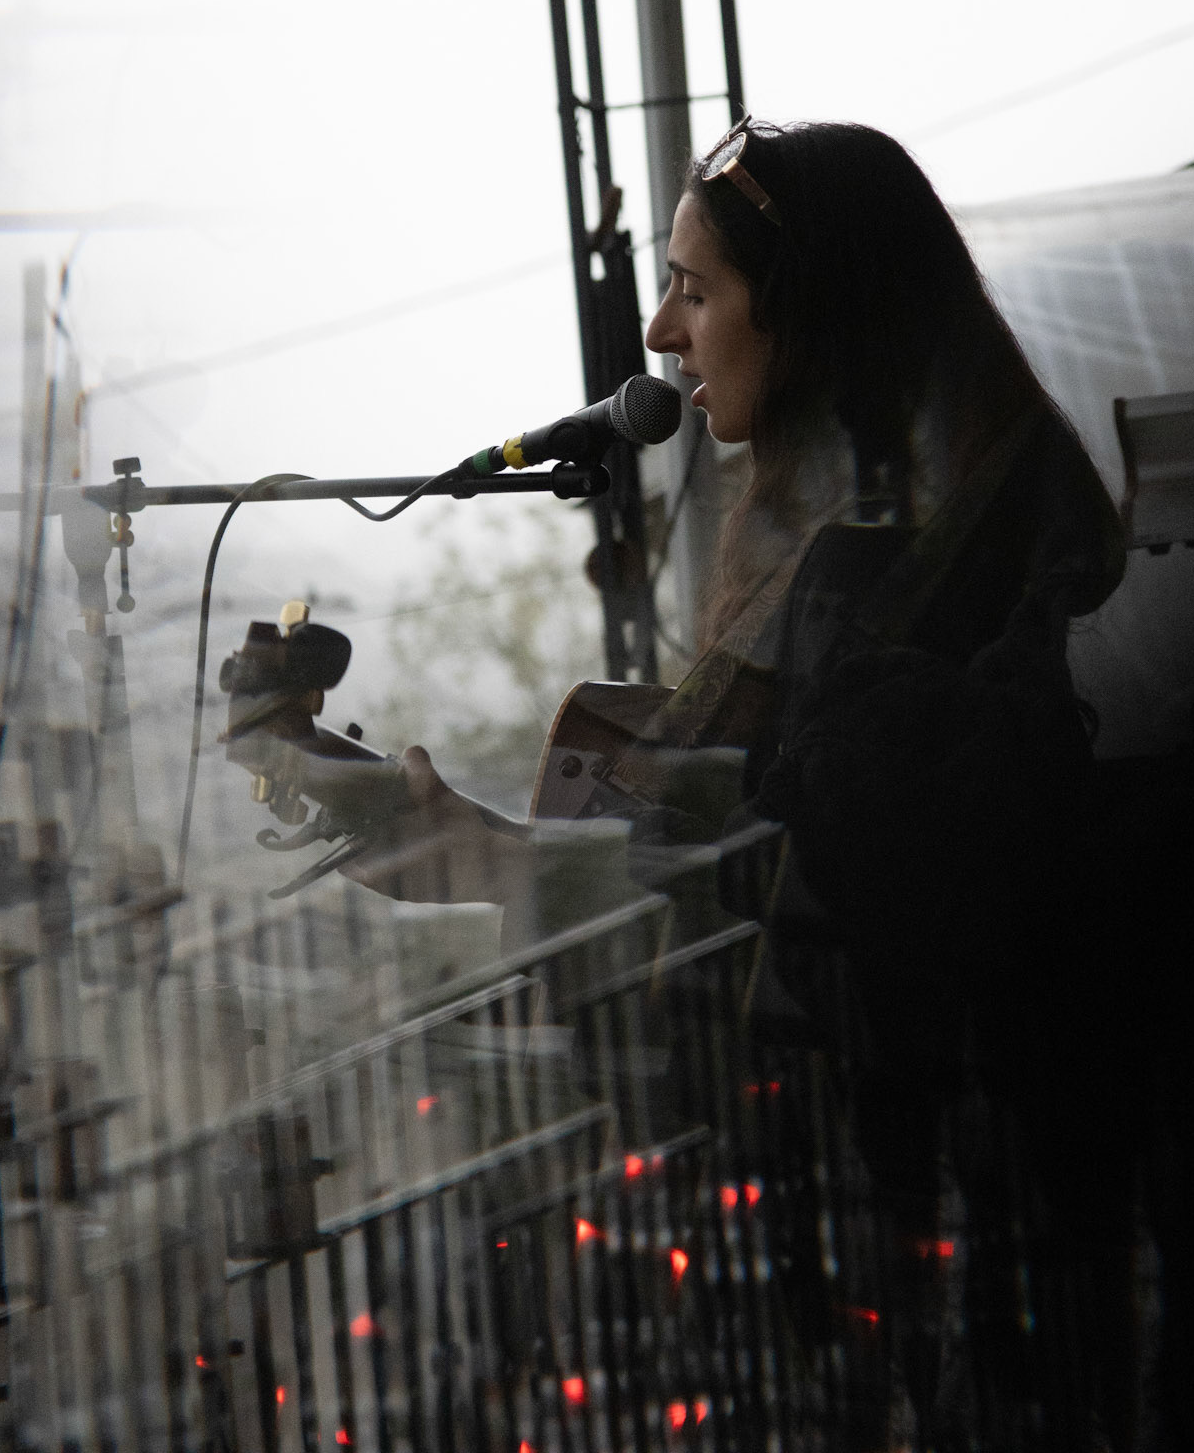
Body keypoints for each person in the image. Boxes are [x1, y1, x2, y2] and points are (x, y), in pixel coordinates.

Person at [346, 118, 1145, 1445]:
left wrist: (495, 861)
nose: (661, 333)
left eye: (697, 290)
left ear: (815, 321)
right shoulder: (912, 554)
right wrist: (491, 850)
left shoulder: (884, 595)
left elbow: (788, 899)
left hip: (951, 1272)